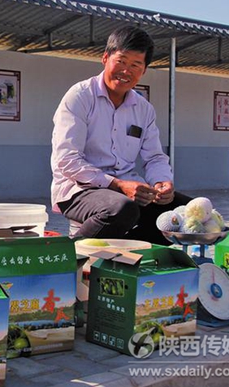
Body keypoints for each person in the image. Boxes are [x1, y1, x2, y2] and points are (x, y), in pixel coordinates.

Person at [50, 26, 190, 245]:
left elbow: (155, 157)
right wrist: (117, 184)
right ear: (105, 58)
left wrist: (163, 183)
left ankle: (130, 255)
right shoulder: (80, 97)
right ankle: (68, 256)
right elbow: (67, 160)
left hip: (128, 191)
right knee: (123, 209)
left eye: (135, 65)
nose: (126, 71)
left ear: (143, 70)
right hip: (77, 190)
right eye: (121, 61)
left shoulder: (143, 109)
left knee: (183, 212)